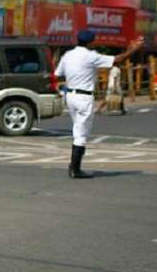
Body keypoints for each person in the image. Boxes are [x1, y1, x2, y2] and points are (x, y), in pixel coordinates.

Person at [55, 30, 144, 179]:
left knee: (77, 129)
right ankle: (75, 169)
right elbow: (118, 60)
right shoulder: (91, 56)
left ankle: (73, 165)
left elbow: (58, 74)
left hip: (70, 95)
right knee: (81, 134)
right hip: (84, 97)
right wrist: (134, 49)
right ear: (91, 42)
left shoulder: (68, 55)